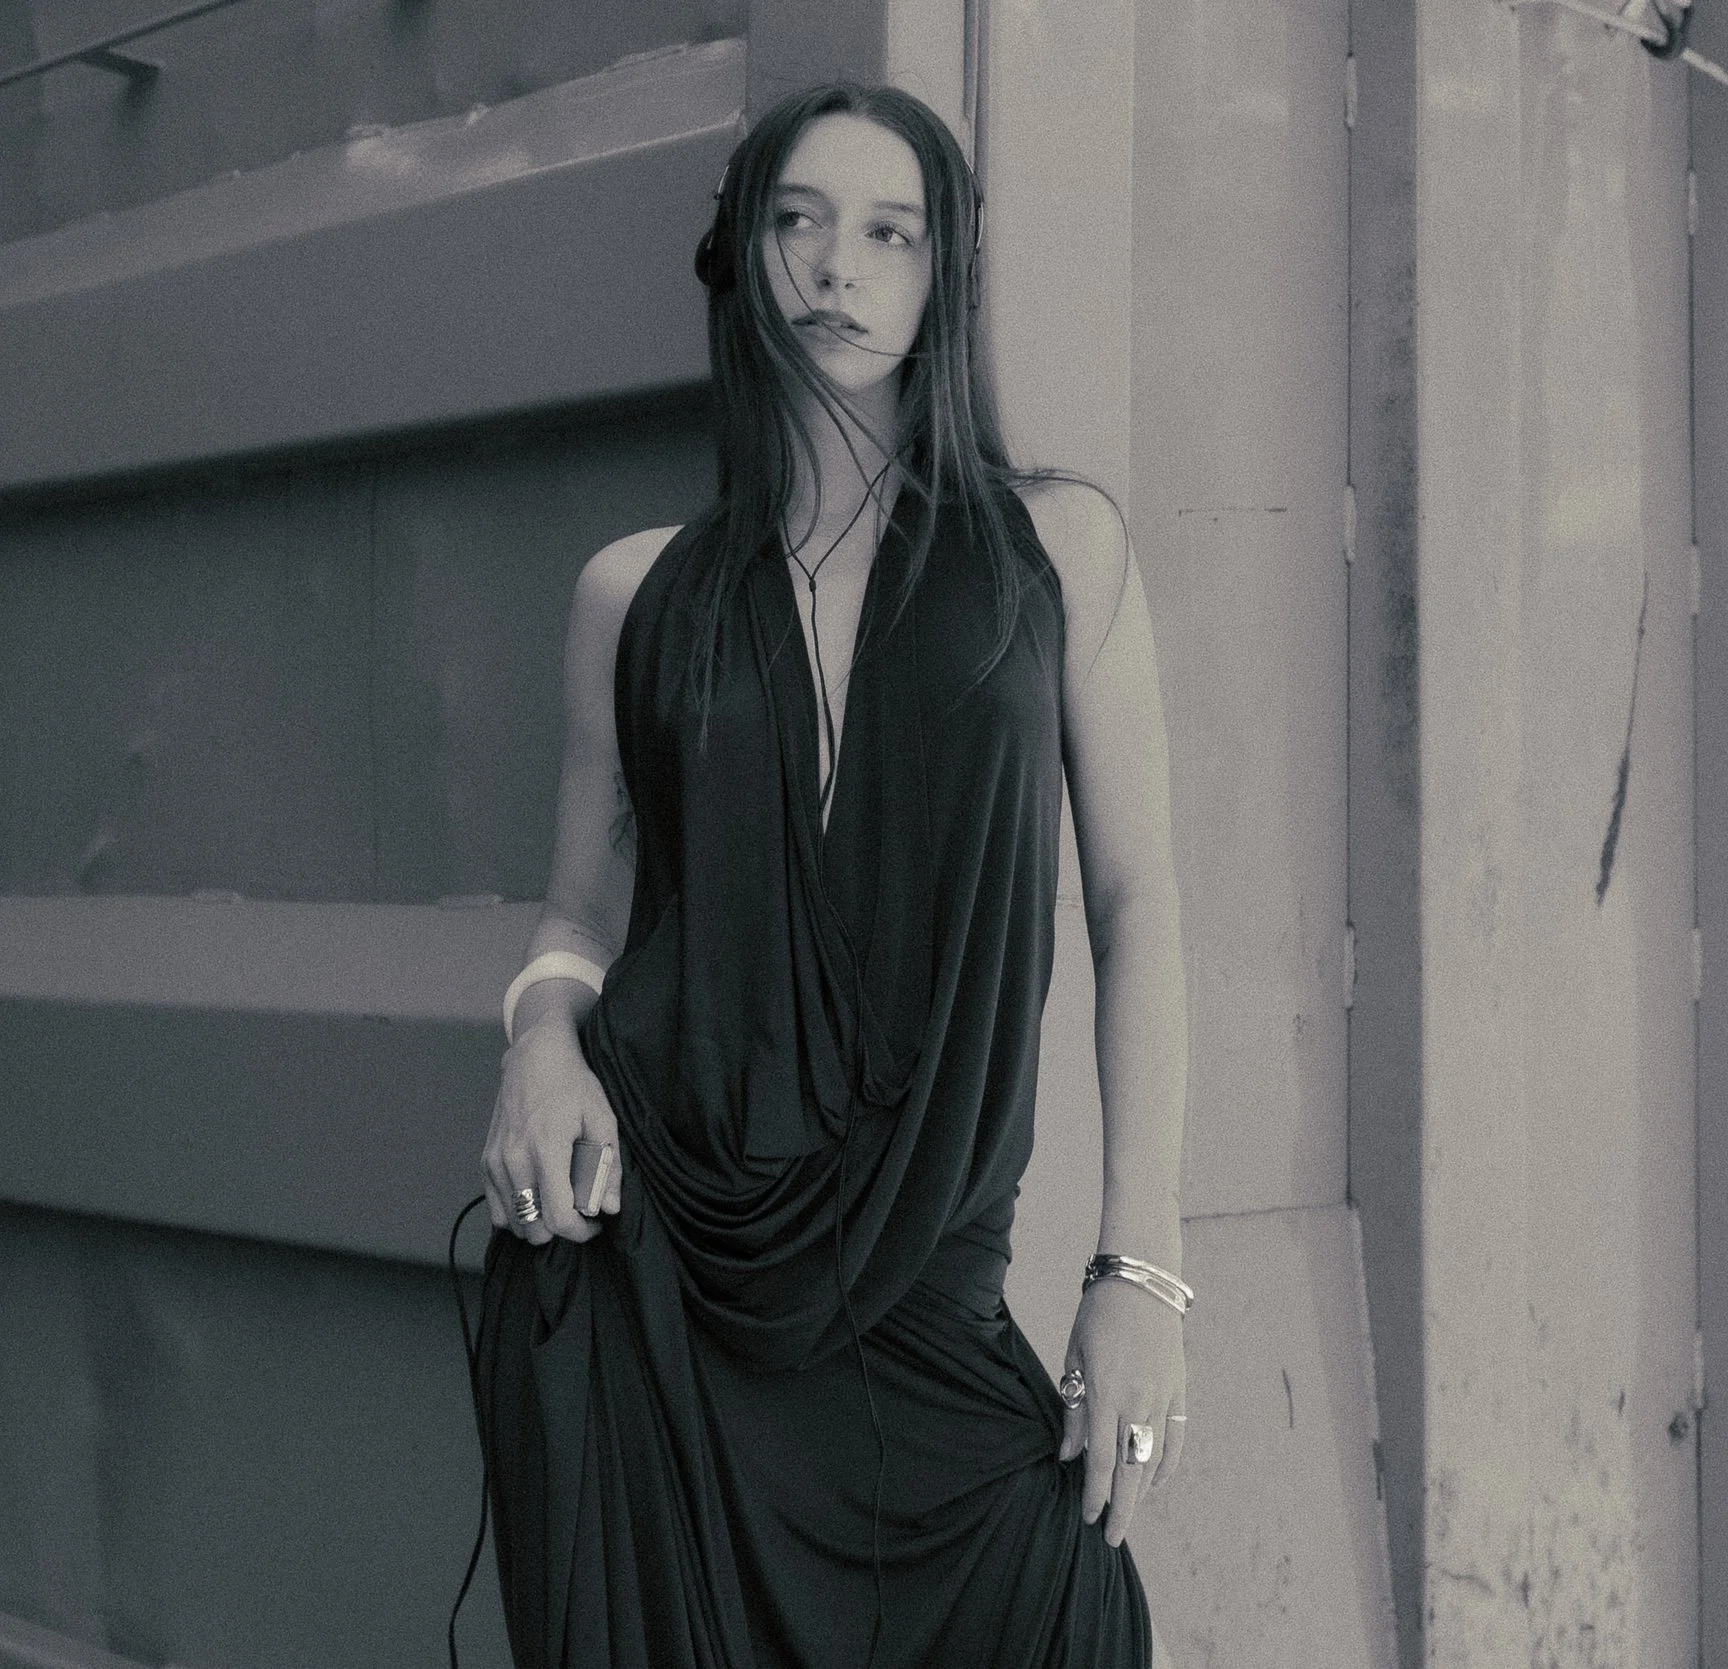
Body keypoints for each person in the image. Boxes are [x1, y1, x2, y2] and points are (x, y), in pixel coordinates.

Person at [464, 80, 1186, 1669]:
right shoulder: (632, 594)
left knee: (1071, 1619)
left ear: (943, 275)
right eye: (796, 223)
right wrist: (536, 1035)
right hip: (665, 1287)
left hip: (935, 1303)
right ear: (746, 260)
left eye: (888, 232)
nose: (836, 269)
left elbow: (1138, 908)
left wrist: (1141, 1272)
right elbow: (582, 912)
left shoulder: (1056, 553)